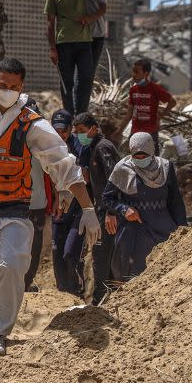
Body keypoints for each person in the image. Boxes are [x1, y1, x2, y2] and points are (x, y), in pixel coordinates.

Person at [0, 58, 101, 358]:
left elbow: (62, 164)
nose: (7, 91)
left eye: (13, 87)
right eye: (2, 86)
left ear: (22, 87)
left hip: (13, 211)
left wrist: (88, 208)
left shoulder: (31, 123)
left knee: (11, 267)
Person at [101, 132, 186, 280]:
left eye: (144, 156)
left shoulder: (165, 167)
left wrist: (183, 231)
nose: (140, 160)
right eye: (136, 156)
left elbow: (175, 202)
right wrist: (124, 209)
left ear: (152, 151)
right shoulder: (122, 169)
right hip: (134, 233)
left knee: (166, 275)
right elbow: (107, 198)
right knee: (132, 278)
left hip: (163, 230)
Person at [45, 0, 105, 115]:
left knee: (86, 78)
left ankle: (81, 114)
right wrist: (52, 49)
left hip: (84, 42)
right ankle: (68, 114)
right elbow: (50, 24)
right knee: (67, 82)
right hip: (64, 43)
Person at [73, 112, 120, 304]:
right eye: (76, 132)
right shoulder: (91, 148)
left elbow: (114, 179)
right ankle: (104, 297)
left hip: (109, 211)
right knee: (102, 255)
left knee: (102, 255)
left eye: (82, 131)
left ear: (94, 129)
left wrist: (111, 211)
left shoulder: (103, 147)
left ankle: (100, 300)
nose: (78, 135)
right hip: (101, 209)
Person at [48, 110, 86, 296]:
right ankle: (63, 295)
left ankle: (77, 291)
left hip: (77, 209)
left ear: (70, 129)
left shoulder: (79, 147)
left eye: (64, 131)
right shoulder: (47, 146)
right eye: (56, 130)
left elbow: (83, 178)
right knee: (57, 256)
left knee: (70, 253)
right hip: (58, 211)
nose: (60, 135)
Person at [22, 99, 54, 293]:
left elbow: (56, 166)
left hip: (37, 203)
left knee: (34, 247)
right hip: (13, 202)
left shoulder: (44, 139)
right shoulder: (8, 135)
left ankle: (25, 283)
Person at [121, 58, 176, 152]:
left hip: (151, 132)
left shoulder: (155, 89)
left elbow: (172, 102)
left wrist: (160, 116)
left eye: (136, 72)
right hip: (135, 131)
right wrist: (119, 130)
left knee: (153, 160)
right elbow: (129, 113)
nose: (133, 75)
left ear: (146, 74)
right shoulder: (133, 90)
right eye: (133, 71)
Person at [78, 0, 108, 75]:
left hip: (97, 34)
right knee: (80, 70)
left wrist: (91, 18)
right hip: (80, 35)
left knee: (90, 72)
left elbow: (103, 9)